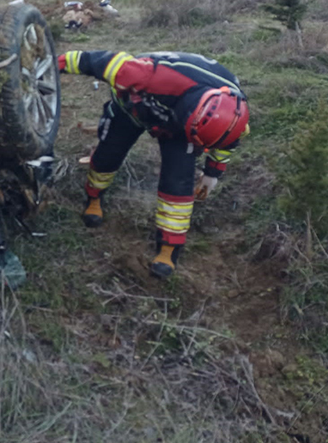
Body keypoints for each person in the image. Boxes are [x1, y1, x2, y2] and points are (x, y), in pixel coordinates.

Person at [58, 51, 250, 278]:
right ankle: (93, 198)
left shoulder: (234, 115)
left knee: (178, 181)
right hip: (133, 106)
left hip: (180, 129)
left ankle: (169, 248)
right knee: (108, 155)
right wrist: (54, 64)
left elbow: (227, 142)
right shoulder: (149, 74)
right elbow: (95, 61)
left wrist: (212, 174)